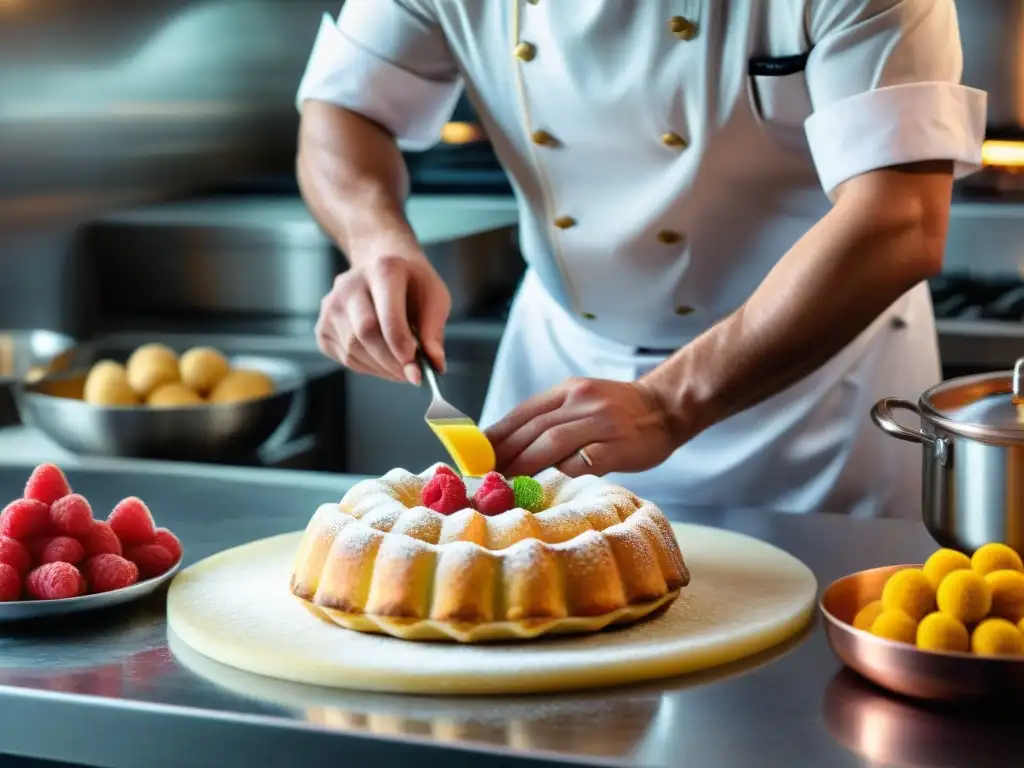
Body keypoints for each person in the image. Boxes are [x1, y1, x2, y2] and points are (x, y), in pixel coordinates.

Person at [296, 0, 986, 517]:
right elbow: (344, 109)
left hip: (811, 392)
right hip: (560, 364)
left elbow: (900, 218)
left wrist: (671, 402)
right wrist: (376, 239)